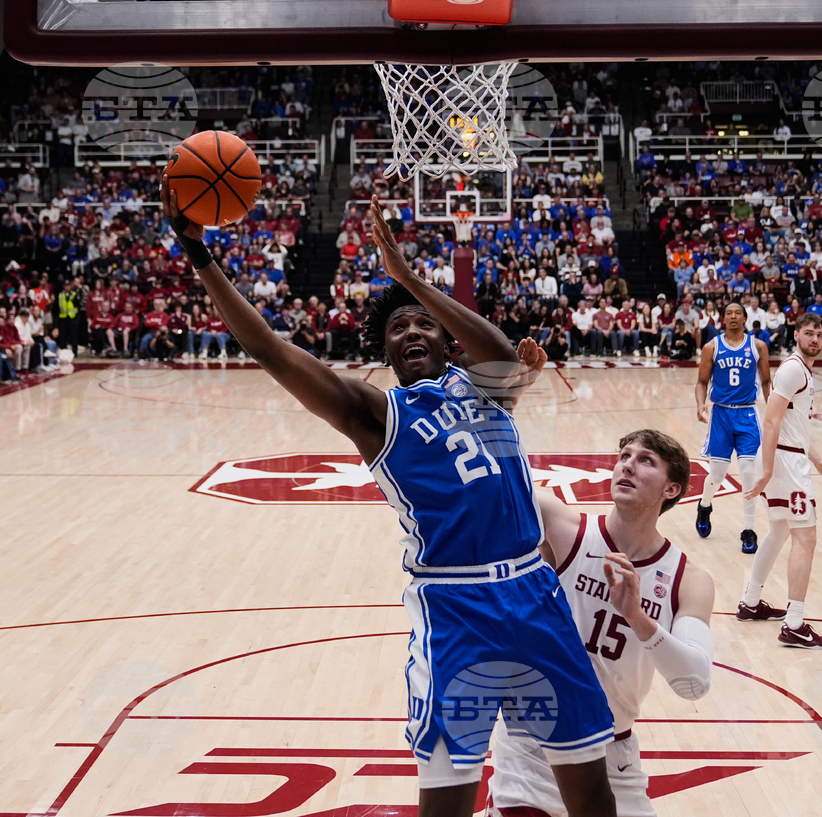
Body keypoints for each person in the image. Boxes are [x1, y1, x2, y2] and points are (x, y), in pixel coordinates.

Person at [159, 177, 617, 817]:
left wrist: (408, 280)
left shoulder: (486, 390)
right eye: (398, 327)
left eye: (422, 325)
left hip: (536, 589)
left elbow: (506, 357)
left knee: (591, 791)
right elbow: (268, 349)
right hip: (456, 606)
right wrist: (200, 256)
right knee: (448, 800)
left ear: (445, 340)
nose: (410, 332)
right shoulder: (376, 413)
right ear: (386, 351)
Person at [486, 429, 715, 817]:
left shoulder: (687, 579)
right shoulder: (564, 528)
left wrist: (637, 618)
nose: (627, 464)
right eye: (624, 455)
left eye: (646, 460)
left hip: (614, 751)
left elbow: (694, 684)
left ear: (672, 489)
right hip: (532, 741)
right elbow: (493, 476)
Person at [741, 313, 822, 649]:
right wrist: (768, 470)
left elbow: (794, 428)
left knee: (780, 530)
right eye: (809, 333)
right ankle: (795, 623)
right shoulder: (793, 369)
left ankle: (751, 601)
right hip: (783, 461)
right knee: (806, 538)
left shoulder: (802, 370)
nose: (815, 339)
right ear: (796, 335)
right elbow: (770, 422)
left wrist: (819, 460)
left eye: (820, 334)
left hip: (787, 456)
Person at [694, 302, 771, 554]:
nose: (734, 316)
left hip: (748, 414)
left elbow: (767, 381)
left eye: (738, 313)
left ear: (745, 318)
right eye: (729, 313)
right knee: (716, 475)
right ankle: (705, 506)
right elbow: (701, 382)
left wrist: (773, 411)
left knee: (749, 474)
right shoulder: (711, 347)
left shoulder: (758, 346)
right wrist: (700, 404)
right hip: (721, 415)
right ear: (723, 318)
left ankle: (748, 530)